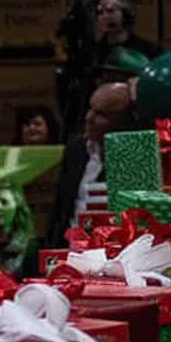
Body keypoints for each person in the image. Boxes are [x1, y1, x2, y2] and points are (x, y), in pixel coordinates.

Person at [48, 81, 138, 245]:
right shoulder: (77, 148)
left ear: (123, 121)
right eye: (90, 109)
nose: (89, 118)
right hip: (73, 250)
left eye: (101, 114)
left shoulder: (136, 156)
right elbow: (60, 209)